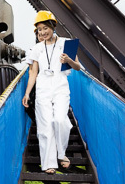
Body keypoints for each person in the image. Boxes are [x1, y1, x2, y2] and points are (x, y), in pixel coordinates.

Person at [22, 10, 81, 174]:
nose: (42, 32)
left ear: (53, 26)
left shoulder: (66, 43)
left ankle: (61, 153)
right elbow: (33, 73)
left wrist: (68, 60)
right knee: (45, 125)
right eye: (39, 30)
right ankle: (49, 163)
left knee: (60, 120)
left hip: (60, 85)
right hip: (42, 87)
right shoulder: (36, 48)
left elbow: (77, 67)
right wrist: (27, 93)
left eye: (45, 28)